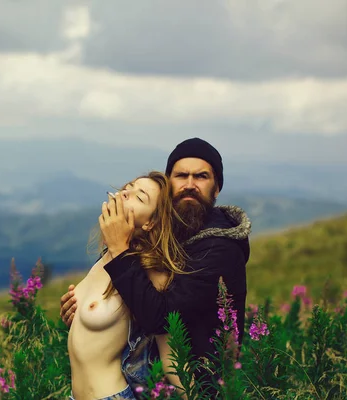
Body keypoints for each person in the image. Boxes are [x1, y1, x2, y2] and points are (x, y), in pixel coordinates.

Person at [61, 138, 251, 394]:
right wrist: (78, 314)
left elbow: (162, 320)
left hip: (208, 382)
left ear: (216, 188)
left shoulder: (219, 249)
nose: (190, 184)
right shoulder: (130, 250)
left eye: (202, 176)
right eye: (181, 175)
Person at [67, 171, 188, 400]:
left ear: (151, 222)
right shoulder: (108, 257)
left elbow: (168, 347)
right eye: (128, 187)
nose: (125, 194)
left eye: (139, 197)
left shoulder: (150, 268)